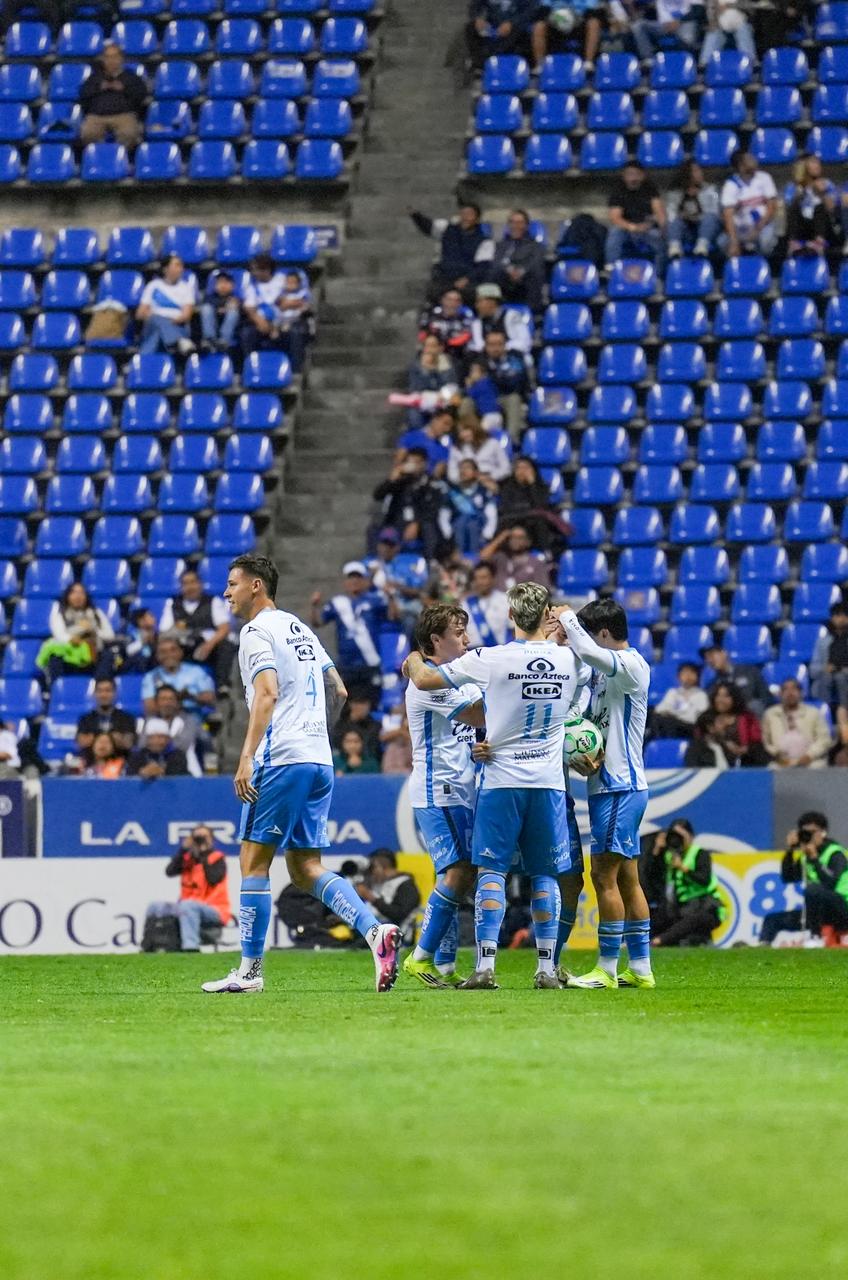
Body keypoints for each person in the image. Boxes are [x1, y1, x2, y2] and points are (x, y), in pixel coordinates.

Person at [202, 555, 403, 995]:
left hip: (282, 759)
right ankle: (376, 932)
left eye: (233, 584)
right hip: (318, 758)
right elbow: (340, 687)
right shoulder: (299, 627)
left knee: (253, 861)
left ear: (257, 586)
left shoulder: (255, 632)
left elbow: (267, 692)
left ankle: (250, 972)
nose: (226, 592)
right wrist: (313, 729)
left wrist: (247, 756)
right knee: (305, 868)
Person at [404, 582, 589, 989]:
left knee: (490, 870)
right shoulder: (571, 661)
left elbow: (424, 680)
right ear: (546, 616)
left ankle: (485, 966)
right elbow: (586, 667)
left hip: (501, 781)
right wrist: (565, 631)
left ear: (510, 616)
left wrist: (413, 659)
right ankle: (545, 969)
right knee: (544, 874)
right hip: (548, 783)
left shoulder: (490, 659)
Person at [552, 598, 655, 990]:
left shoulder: (632, 665)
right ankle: (641, 969)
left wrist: (565, 616)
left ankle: (607, 970)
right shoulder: (600, 675)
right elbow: (584, 719)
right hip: (609, 785)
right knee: (628, 878)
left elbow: (588, 650)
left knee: (603, 876)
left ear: (605, 634)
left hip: (620, 786)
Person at [401, 604, 486, 987]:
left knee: (452, 874)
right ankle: (420, 958)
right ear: (436, 640)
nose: (466, 639)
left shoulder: (457, 676)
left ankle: (445, 962)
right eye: (457, 634)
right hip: (440, 790)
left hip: (460, 788)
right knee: (459, 871)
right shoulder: (427, 682)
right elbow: (479, 717)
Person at [310, 561, 397, 698]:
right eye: (351, 577)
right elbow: (318, 623)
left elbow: (393, 617)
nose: (354, 581)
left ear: (365, 581)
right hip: (346, 664)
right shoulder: (337, 603)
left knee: (370, 703)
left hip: (370, 662)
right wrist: (314, 606)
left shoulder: (375, 600)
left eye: (358, 577)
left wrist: (391, 598)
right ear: (345, 582)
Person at [760, 814, 848, 944]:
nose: (809, 836)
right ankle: (762, 951)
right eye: (805, 832)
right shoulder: (805, 856)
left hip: (842, 908)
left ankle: (815, 937)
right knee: (772, 919)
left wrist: (814, 858)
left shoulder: (835, 853)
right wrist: (790, 851)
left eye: (812, 832)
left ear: (823, 833)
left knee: (812, 889)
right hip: (818, 912)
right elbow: (787, 878)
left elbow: (830, 883)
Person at [145, 826, 231, 953]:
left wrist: (204, 853)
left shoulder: (217, 858)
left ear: (211, 840)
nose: (199, 840)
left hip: (214, 909)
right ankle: (148, 946)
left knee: (188, 905)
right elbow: (169, 871)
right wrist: (183, 849)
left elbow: (213, 879)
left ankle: (191, 947)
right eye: (197, 837)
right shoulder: (187, 859)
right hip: (186, 906)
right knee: (155, 906)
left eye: (203, 837)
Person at [159, 568, 237, 693]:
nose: (190, 587)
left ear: (200, 584)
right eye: (186, 583)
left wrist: (208, 646)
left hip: (208, 647)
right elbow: (164, 632)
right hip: (183, 647)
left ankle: (222, 686)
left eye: (193, 582)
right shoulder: (173, 604)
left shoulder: (213, 602)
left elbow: (224, 628)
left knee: (226, 645)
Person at [650, 821, 724, 947]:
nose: (676, 840)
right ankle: (638, 944)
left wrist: (682, 868)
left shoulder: (699, 854)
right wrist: (657, 851)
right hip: (679, 908)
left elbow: (704, 880)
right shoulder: (668, 856)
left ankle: (658, 941)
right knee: (654, 916)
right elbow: (651, 878)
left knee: (693, 919)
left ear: (690, 836)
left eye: (680, 836)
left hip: (706, 907)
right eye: (672, 836)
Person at [372, 449, 448, 562]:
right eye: (410, 462)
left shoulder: (431, 483)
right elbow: (378, 495)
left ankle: (430, 561)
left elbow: (432, 509)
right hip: (398, 521)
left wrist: (416, 523)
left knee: (429, 529)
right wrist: (391, 480)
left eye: (416, 462)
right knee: (375, 529)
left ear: (424, 464)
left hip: (422, 522)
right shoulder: (401, 482)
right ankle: (379, 562)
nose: (413, 466)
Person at [409, 202, 495, 301]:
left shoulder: (484, 240)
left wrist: (467, 279)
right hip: (445, 277)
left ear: (477, 218)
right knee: (433, 292)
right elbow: (428, 227)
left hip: (467, 280)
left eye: (469, 214)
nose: (465, 217)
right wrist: (415, 215)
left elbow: (483, 266)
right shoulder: (447, 229)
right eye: (463, 214)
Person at [686, 681, 768, 768]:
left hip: (742, 758)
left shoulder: (747, 717)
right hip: (712, 757)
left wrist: (744, 749)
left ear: (735, 698)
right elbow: (700, 738)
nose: (721, 700)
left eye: (726, 696)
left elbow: (757, 740)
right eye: (718, 695)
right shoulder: (705, 717)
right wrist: (723, 741)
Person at [79, 42, 146, 149]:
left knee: (129, 134)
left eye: (114, 57)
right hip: (97, 116)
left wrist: (124, 89)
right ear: (103, 59)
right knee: (88, 133)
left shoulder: (131, 77)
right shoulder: (95, 77)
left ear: (121, 59)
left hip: (124, 115)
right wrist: (99, 88)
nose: (111, 61)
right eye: (108, 57)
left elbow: (141, 95)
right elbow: (84, 94)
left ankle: (121, 159)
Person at [606, 161, 667, 270]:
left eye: (636, 174)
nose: (633, 178)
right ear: (624, 176)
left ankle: (659, 276)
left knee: (660, 239)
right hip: (627, 229)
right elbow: (615, 218)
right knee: (615, 232)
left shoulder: (650, 190)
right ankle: (611, 270)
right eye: (629, 174)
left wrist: (661, 227)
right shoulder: (618, 192)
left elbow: (659, 212)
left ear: (642, 176)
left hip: (646, 228)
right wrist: (633, 227)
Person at [495, 455, 564, 551]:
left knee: (539, 521)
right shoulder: (508, 488)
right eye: (519, 468)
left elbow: (541, 507)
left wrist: (532, 484)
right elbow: (507, 509)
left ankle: (546, 554)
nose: (522, 471)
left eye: (526, 468)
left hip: (533, 526)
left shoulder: (542, 488)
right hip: (513, 523)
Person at [141, 636, 216, 722]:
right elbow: (149, 708)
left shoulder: (196, 671)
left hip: (193, 719)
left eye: (173, 650)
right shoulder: (151, 677)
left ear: (180, 652)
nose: (168, 655)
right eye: (163, 652)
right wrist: (172, 701)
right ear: (157, 656)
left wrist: (190, 696)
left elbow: (211, 699)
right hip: (163, 721)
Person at [761, 678, 831, 769]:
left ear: (801, 693)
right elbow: (765, 741)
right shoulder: (770, 714)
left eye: (794, 689)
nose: (790, 693)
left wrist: (810, 755)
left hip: (811, 761)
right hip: (780, 762)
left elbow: (824, 739)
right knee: (771, 768)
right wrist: (777, 754)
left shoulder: (813, 713)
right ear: (780, 694)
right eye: (786, 689)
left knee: (817, 767)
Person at [721, 151, 778, 259]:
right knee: (722, 243)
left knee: (765, 243)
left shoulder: (764, 177)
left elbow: (772, 206)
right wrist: (734, 241)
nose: (754, 161)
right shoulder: (731, 184)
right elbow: (728, 215)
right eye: (750, 159)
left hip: (763, 225)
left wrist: (758, 229)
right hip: (740, 229)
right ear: (741, 166)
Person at [136, 255, 197, 357]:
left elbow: (186, 315)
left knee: (157, 333)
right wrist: (160, 320)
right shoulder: (153, 285)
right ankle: (179, 341)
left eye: (181, 266)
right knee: (155, 319)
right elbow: (140, 314)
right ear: (166, 269)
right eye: (177, 265)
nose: (181, 269)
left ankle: (139, 361)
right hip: (152, 325)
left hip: (178, 326)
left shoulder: (186, 288)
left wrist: (165, 321)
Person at [356, 850, 421, 945]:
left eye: (372, 868)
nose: (372, 873)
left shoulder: (406, 885)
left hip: (396, 935)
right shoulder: (378, 883)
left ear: (380, 866)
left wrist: (372, 898)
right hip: (374, 931)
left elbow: (399, 914)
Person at [439, 459, 499, 558]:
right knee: (461, 521)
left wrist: (488, 532)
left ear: (476, 473)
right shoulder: (453, 492)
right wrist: (447, 532)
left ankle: (475, 559)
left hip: (479, 529)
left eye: (467, 468)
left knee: (472, 523)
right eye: (461, 468)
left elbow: (491, 513)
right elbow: (444, 514)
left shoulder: (483, 491)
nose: (463, 471)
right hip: (458, 530)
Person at [785, 154, 842, 255]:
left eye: (818, 163)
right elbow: (788, 207)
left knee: (819, 207)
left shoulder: (827, 183)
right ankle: (794, 242)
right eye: (813, 162)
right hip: (803, 226)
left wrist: (822, 194)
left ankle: (819, 241)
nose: (818, 166)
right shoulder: (793, 187)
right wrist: (801, 190)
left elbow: (832, 209)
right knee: (794, 206)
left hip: (824, 228)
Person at [491, 210, 547, 313]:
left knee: (536, 274)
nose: (515, 226)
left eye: (519, 222)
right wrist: (509, 270)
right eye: (512, 222)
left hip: (525, 281)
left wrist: (520, 272)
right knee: (493, 273)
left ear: (526, 225)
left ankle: (531, 314)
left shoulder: (535, 246)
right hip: (505, 280)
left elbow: (535, 263)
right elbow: (497, 261)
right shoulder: (501, 245)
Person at [666, 160, 722, 259]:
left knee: (709, 217)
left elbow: (715, 213)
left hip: (706, 229)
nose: (700, 173)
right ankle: (674, 248)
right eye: (695, 171)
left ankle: (702, 246)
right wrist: (682, 216)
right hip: (685, 230)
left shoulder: (710, 190)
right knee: (673, 220)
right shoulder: (675, 193)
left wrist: (698, 217)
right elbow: (669, 213)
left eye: (699, 170)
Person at [76, 676, 137, 763]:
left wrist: (95, 737)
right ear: (94, 694)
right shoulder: (85, 719)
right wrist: (113, 737)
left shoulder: (127, 718)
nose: (103, 695)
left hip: (121, 766)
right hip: (92, 765)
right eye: (100, 691)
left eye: (108, 691)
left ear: (115, 693)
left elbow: (128, 744)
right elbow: (81, 743)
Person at [700, 642, 772, 715]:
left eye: (711, 655)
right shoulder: (712, 685)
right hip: (728, 718)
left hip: (750, 715)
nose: (709, 660)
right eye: (706, 658)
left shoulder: (749, 671)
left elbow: (765, 695)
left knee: (755, 705)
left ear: (724, 653)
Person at [467, 283, 534, 360]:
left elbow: (525, 343)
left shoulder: (512, 317)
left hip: (513, 361)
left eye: (480, 301)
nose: (477, 306)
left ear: (491, 302)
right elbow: (478, 345)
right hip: (487, 362)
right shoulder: (477, 323)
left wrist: (500, 347)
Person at [405, 336, 458, 430]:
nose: (430, 350)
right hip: (424, 401)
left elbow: (452, 385)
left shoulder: (448, 363)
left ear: (439, 348)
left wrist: (434, 370)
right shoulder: (416, 366)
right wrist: (426, 371)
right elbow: (415, 389)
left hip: (443, 401)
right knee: (413, 413)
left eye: (433, 346)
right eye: (427, 346)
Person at [465, 0, 538, 69]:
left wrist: (512, 23)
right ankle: (478, 63)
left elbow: (530, 11)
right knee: (471, 26)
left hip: (517, 26)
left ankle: (490, 58)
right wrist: (478, 18)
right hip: (493, 26)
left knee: (517, 31)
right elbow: (474, 6)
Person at [481, 523, 554, 590]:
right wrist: (502, 537)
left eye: (520, 538)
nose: (515, 540)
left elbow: (542, 589)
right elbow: (483, 557)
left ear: (527, 542)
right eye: (512, 537)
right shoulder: (501, 558)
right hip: (497, 601)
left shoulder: (536, 564)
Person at [149, 684, 201, 776]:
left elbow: (183, 744)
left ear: (177, 703)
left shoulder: (189, 721)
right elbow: (142, 744)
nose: (167, 703)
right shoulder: (149, 722)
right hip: (151, 769)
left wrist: (158, 743)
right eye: (163, 699)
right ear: (156, 703)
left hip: (184, 769)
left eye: (171, 699)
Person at [447, 414, 511, 488]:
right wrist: (465, 477)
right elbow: (451, 474)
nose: (463, 434)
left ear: (474, 428)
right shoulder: (456, 449)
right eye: (460, 432)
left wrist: (489, 476)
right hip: (465, 487)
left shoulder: (493, 444)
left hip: (490, 483)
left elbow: (506, 469)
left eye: (466, 430)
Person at [652, 662, 709, 739]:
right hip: (671, 723)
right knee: (654, 716)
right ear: (679, 677)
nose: (688, 676)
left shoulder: (701, 695)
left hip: (690, 727)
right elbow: (660, 709)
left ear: (697, 677)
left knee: (669, 721)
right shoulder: (673, 692)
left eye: (691, 673)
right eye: (685, 673)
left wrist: (675, 716)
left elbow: (698, 718)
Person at [50, 582, 114, 648]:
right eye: (73, 593)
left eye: (81, 593)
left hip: (96, 651)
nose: (78, 596)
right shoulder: (60, 613)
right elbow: (60, 636)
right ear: (67, 596)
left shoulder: (96, 612)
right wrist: (73, 639)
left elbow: (110, 635)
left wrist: (93, 630)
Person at [631, 0, 701, 61]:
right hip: (663, 25)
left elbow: (698, 10)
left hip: (684, 23)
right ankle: (649, 59)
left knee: (687, 39)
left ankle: (688, 61)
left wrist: (679, 21)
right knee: (638, 26)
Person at [462, 560, 510, 647]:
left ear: (493, 578)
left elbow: (514, 630)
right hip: (473, 653)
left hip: (498, 652)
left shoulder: (506, 600)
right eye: (476, 578)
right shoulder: (466, 604)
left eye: (483, 577)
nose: (479, 582)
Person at [395, 405, 454, 477]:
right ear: (435, 419)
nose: (447, 429)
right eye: (445, 424)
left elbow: (437, 473)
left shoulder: (445, 447)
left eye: (450, 427)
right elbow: (398, 462)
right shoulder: (411, 436)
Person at [810, 602, 848, 709]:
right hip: (827, 676)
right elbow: (813, 670)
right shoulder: (822, 642)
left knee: (840, 677)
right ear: (832, 618)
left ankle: (843, 713)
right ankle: (824, 714)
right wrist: (824, 668)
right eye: (837, 615)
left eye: (845, 615)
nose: (842, 619)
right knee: (826, 677)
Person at [417, 288, 474, 356]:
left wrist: (446, 344)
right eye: (449, 300)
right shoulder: (432, 314)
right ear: (443, 300)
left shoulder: (466, 317)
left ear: (460, 303)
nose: (452, 304)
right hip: (432, 352)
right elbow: (422, 334)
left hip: (456, 354)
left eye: (456, 301)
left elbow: (466, 336)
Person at [700, 0, 756, 66]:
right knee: (712, 35)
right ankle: (704, 65)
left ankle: (750, 64)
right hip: (720, 24)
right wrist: (715, 17)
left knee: (744, 32)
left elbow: (751, 9)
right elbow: (710, 11)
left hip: (740, 23)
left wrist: (729, 5)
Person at [199, 271, 241, 354]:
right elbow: (209, 307)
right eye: (220, 282)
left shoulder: (237, 298)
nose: (223, 285)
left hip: (233, 331)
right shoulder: (209, 297)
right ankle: (209, 339)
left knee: (233, 312)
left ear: (232, 285)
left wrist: (234, 306)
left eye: (226, 282)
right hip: (214, 326)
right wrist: (222, 308)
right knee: (206, 308)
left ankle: (224, 341)